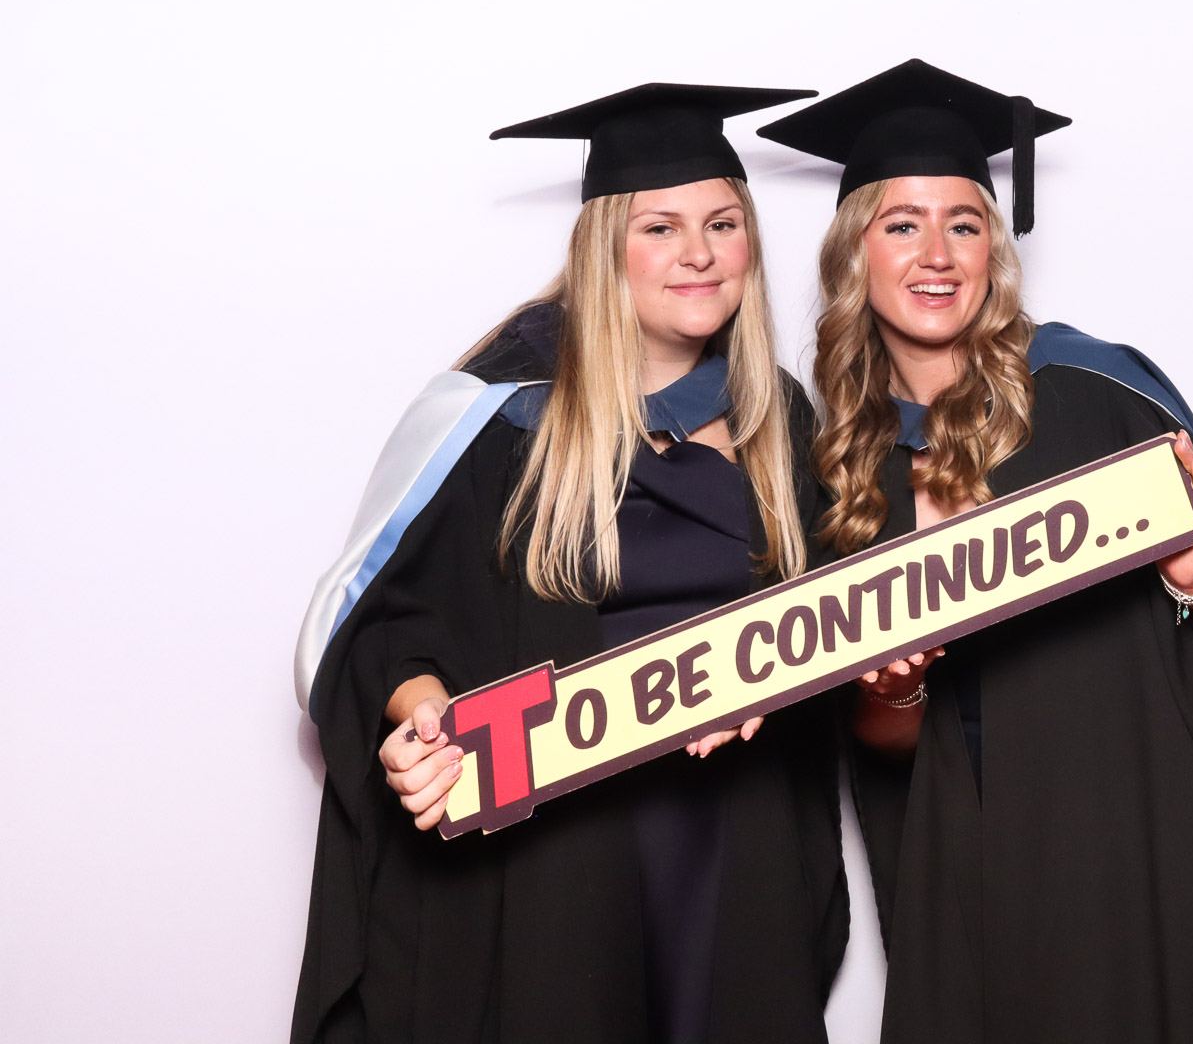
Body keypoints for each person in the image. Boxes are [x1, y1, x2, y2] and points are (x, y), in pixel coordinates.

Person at [759, 59, 1193, 1043]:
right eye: (902, 222)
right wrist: (893, 686)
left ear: (995, 247)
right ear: (856, 251)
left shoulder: (1090, 389)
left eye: (965, 221)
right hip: (991, 875)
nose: (936, 251)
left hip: (1155, 845)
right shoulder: (843, 476)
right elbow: (891, 749)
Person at [291, 82, 847, 1043]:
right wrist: (425, 716)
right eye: (659, 227)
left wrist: (781, 675)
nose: (698, 253)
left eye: (722, 222)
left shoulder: (779, 421)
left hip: (737, 836)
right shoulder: (504, 413)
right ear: (604, 249)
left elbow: (840, 619)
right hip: (564, 850)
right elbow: (381, 622)